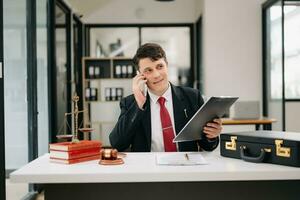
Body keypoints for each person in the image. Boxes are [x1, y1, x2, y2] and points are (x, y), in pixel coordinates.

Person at [109, 43, 222, 152]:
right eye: (148, 70)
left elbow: (207, 146)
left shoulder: (192, 97)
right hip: (148, 167)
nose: (156, 75)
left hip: (185, 166)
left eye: (160, 66)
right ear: (139, 75)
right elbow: (117, 144)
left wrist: (211, 136)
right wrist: (139, 104)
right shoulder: (130, 103)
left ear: (167, 65)